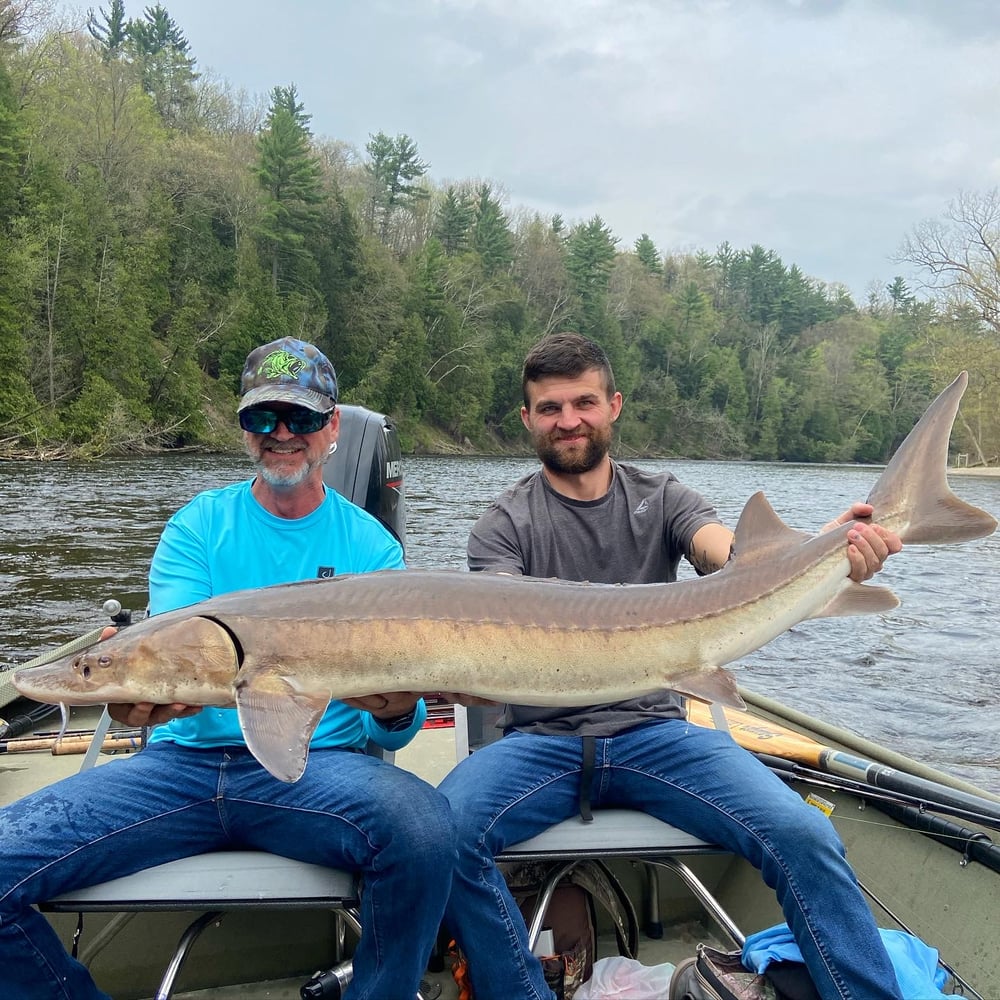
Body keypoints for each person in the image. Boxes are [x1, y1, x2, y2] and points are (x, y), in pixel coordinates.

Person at [439, 331, 905, 1000]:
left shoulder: (662, 496)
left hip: (659, 737)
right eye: (549, 408)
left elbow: (724, 552)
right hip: (541, 745)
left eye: (584, 402)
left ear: (614, 406)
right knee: (444, 834)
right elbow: (491, 620)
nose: (568, 421)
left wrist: (816, 554)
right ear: (527, 419)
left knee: (803, 833)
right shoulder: (501, 525)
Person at [0, 337, 456, 1000]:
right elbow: (181, 657)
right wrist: (132, 692)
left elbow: (395, 735)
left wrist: (390, 707)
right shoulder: (198, 526)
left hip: (317, 771)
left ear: (331, 429)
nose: (281, 435)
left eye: (300, 419)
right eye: (261, 419)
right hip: (178, 770)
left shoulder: (370, 545)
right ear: (243, 430)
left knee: (423, 827)